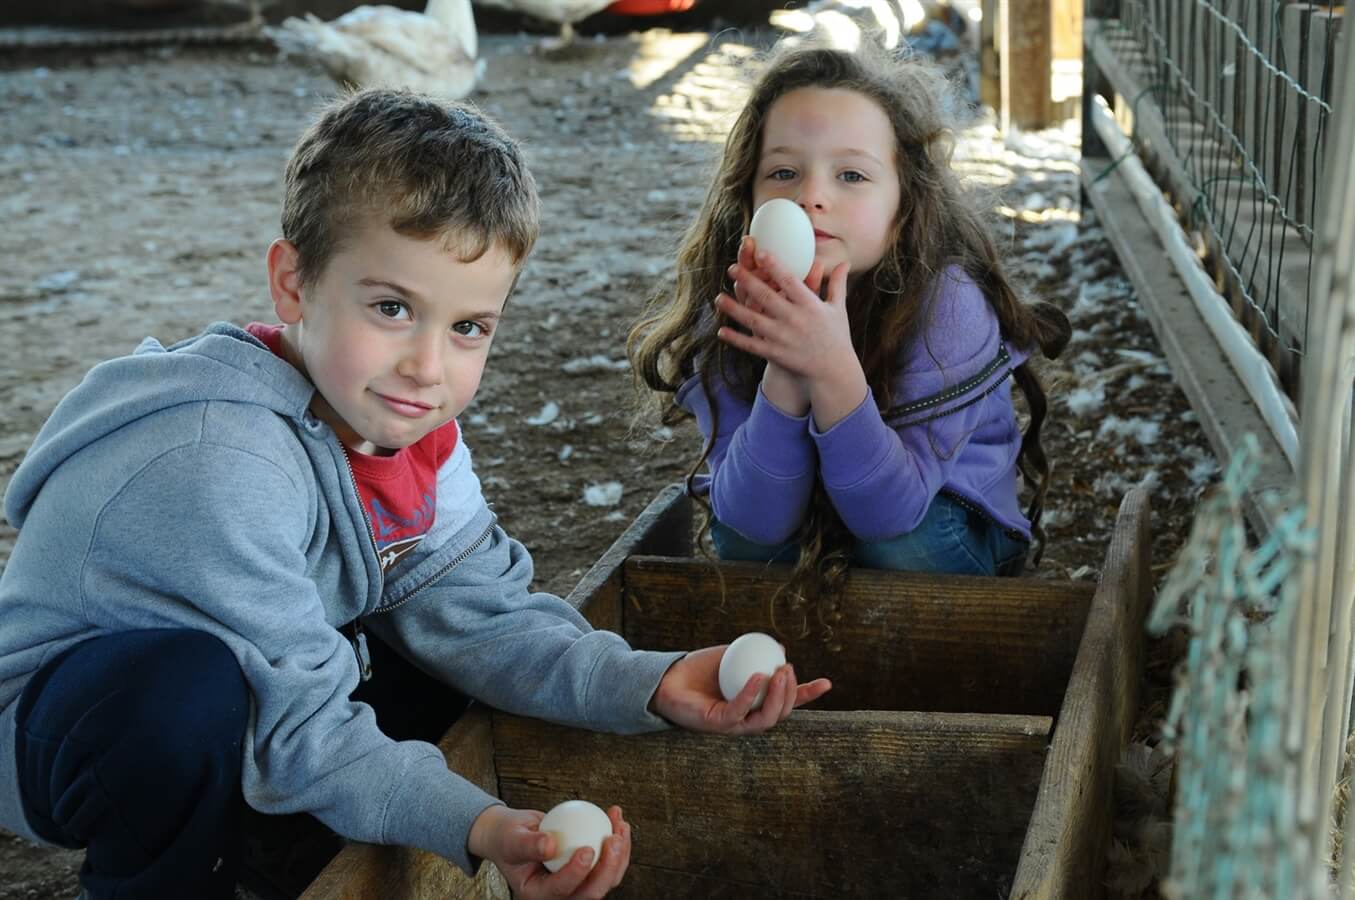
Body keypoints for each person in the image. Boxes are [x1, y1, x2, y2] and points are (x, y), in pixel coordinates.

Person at [0, 88, 831, 900]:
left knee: (431, 650)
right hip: (70, 730)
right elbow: (301, 722)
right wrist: (481, 825)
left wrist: (649, 682)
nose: (428, 368)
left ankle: (288, 861)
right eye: (392, 307)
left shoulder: (405, 429)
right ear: (292, 282)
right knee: (184, 699)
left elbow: (479, 617)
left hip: (267, 678)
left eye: (468, 327)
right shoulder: (223, 461)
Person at [628, 40, 1071, 604]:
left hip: (941, 532)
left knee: (896, 548)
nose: (811, 196)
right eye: (783, 171)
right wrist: (786, 374)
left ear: (904, 206)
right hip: (806, 521)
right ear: (747, 196)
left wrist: (831, 367)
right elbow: (750, 528)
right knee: (740, 534)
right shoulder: (731, 304)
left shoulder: (947, 306)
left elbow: (892, 516)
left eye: (852, 176)